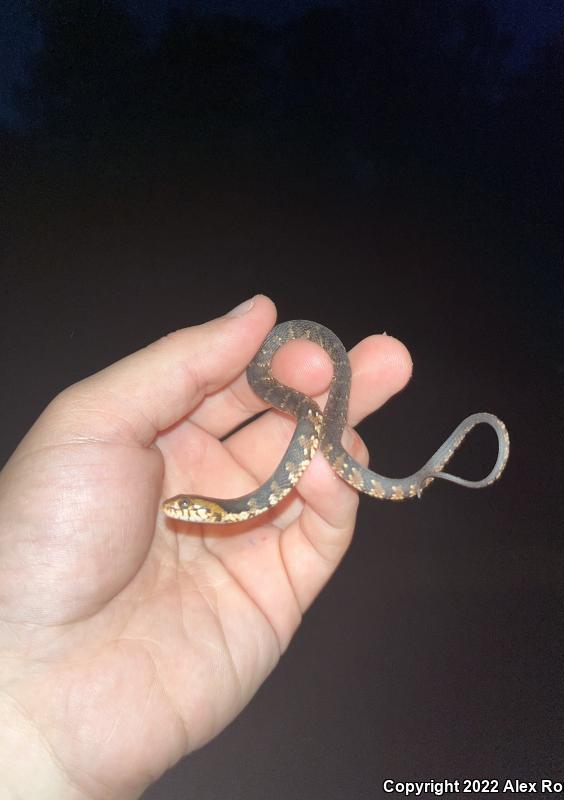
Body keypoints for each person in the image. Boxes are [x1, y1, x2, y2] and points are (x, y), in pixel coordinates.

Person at [0, 295, 412, 798]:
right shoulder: (241, 503)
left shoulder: (252, 481)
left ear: (204, 510)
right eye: (184, 510)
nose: (178, 513)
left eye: (185, 509)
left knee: (331, 448)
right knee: (330, 450)